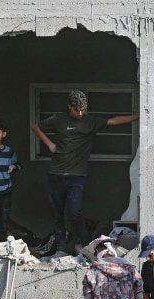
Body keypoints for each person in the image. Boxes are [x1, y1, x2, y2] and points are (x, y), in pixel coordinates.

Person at [32, 90, 140, 257]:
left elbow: (113, 121)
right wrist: (49, 144)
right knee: (57, 213)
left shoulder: (90, 122)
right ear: (69, 107)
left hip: (77, 175)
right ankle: (60, 249)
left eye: (83, 110)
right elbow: (36, 127)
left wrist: (138, 116)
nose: (81, 113)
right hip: (56, 174)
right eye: (77, 110)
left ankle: (78, 244)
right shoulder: (58, 120)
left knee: (75, 211)